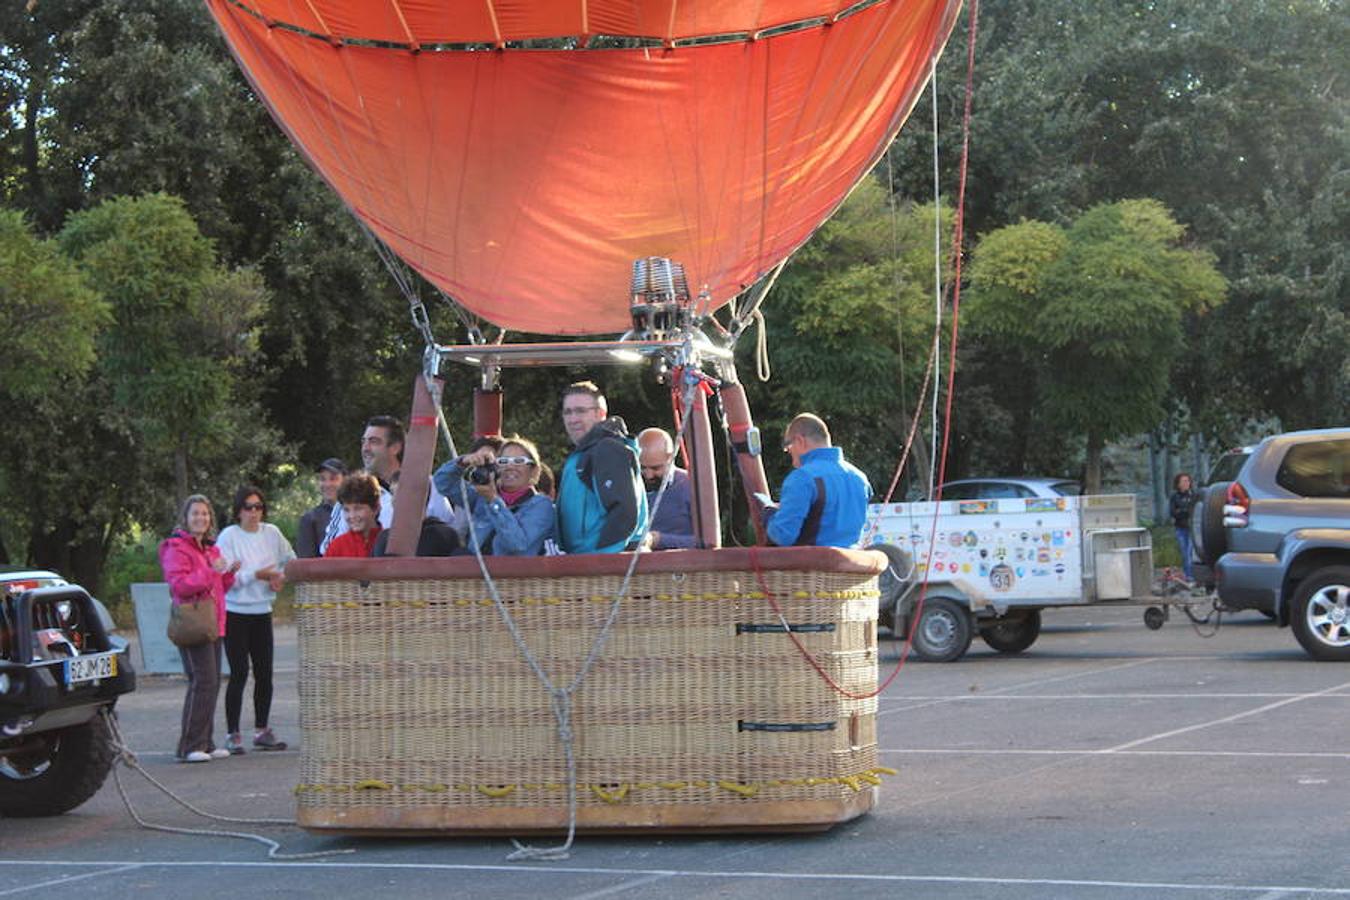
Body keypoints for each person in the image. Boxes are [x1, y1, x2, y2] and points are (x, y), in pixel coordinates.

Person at [215, 486, 296, 755]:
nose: (254, 512)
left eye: (258, 507)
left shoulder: (271, 533)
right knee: (238, 673)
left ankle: (262, 729)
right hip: (236, 611)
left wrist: (280, 577)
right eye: (248, 507)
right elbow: (225, 577)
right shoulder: (229, 536)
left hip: (262, 611)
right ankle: (233, 733)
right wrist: (256, 575)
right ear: (238, 511)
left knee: (265, 673)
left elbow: (291, 560)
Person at [158, 494, 238, 763]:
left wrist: (228, 574)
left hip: (214, 622)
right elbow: (179, 585)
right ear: (186, 518)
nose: (201, 518)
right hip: (193, 621)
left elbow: (219, 587)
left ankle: (205, 742)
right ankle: (190, 745)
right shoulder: (176, 548)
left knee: (212, 683)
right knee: (202, 682)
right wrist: (212, 572)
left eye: (205, 514)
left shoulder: (210, 549)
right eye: (195, 514)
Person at [318, 416, 454, 555]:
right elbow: (329, 550)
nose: (365, 448)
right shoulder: (352, 490)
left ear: (395, 447)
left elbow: (448, 531)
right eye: (363, 442)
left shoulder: (426, 485)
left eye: (374, 442)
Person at [555, 381, 647, 554]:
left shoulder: (607, 451)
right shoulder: (583, 454)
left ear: (601, 414)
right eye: (568, 412)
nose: (573, 419)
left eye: (581, 411)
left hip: (602, 568)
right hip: (581, 563)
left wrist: (601, 561)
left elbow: (624, 514)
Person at [433, 434, 556, 556]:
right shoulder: (481, 496)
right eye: (504, 461)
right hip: (472, 571)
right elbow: (443, 483)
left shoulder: (541, 505)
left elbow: (518, 545)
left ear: (533, 470)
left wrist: (493, 501)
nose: (510, 466)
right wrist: (463, 462)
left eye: (519, 461)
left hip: (514, 574)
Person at [763, 413, 872, 548]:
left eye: (788, 447)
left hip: (812, 566)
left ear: (799, 441)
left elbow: (783, 536)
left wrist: (770, 514)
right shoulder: (860, 479)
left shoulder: (803, 478)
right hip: (851, 564)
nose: (789, 453)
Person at [637, 427, 697, 550]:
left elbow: (706, 542)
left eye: (656, 468)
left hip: (682, 565)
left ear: (671, 457)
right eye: (642, 468)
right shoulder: (631, 487)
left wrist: (658, 540)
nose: (648, 475)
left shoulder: (690, 486)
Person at [295, 458, 347, 558]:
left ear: (345, 480)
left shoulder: (356, 514)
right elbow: (306, 562)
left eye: (333, 479)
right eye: (323, 479)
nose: (327, 484)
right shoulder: (310, 519)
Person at [325, 473, 384, 558]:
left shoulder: (388, 544)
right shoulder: (336, 547)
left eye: (358, 509)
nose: (352, 516)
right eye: (346, 510)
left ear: (376, 508)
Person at [1169, 472, 1198, 582]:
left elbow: (1193, 510)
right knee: (1184, 552)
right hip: (1180, 527)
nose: (1186, 483)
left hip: (1191, 527)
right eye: (1184, 481)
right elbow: (1173, 512)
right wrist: (1184, 510)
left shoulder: (1193, 495)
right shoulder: (1175, 497)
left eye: (1188, 481)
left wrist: (1183, 510)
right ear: (1178, 484)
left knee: (1190, 551)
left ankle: (1191, 576)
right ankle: (1187, 574)